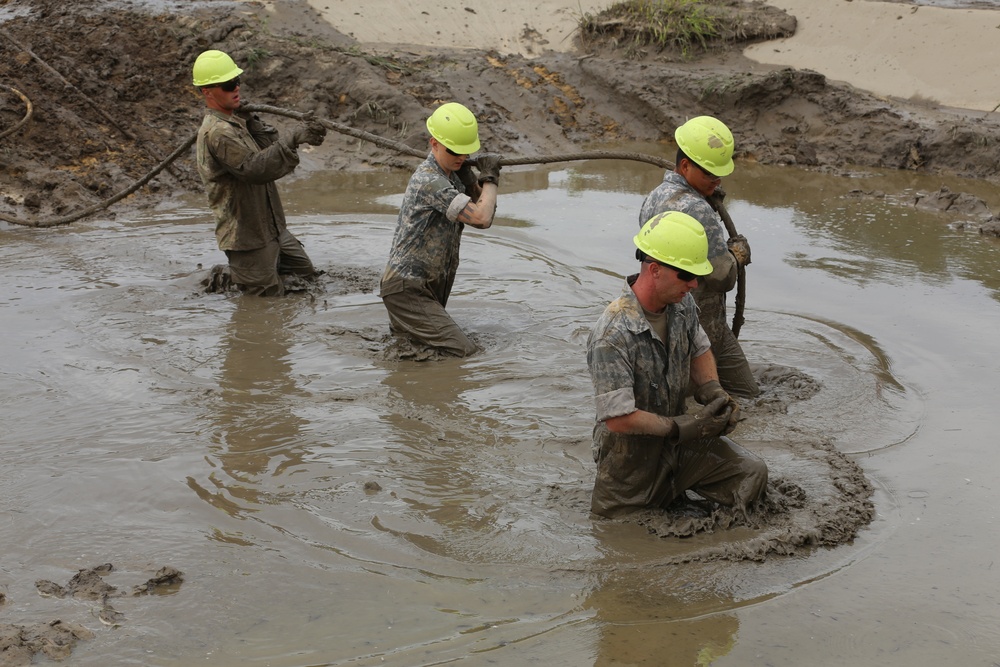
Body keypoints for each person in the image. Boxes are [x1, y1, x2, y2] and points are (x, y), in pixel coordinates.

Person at [586, 210, 768, 519]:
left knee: (752, 473)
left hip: (680, 448)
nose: (695, 284)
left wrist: (713, 390)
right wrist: (686, 427)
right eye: (686, 275)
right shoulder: (612, 333)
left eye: (697, 275)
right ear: (655, 270)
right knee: (620, 541)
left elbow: (699, 348)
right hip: (630, 466)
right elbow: (618, 419)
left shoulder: (681, 304)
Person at [638, 116, 759, 397]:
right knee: (740, 394)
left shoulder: (655, 196)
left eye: (719, 175)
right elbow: (722, 277)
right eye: (708, 174)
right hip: (700, 322)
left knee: (697, 391)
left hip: (666, 318)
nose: (716, 181)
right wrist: (737, 254)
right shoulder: (697, 209)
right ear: (684, 166)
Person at [193, 49, 327, 296]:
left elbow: (268, 149)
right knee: (264, 300)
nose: (236, 89)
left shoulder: (235, 123)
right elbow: (255, 169)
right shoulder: (219, 132)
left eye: (237, 82)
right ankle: (231, 275)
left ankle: (239, 276)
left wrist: (253, 122)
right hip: (246, 235)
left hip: (271, 227)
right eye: (228, 85)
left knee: (305, 275)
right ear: (207, 92)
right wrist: (293, 138)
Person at [378, 102, 503, 356]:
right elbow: (481, 218)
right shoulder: (430, 181)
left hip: (429, 284)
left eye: (465, 153)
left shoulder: (453, 175)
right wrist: (490, 177)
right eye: (454, 151)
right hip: (407, 288)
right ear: (433, 143)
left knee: (413, 353)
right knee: (465, 352)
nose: (461, 158)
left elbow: (485, 206)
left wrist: (472, 179)